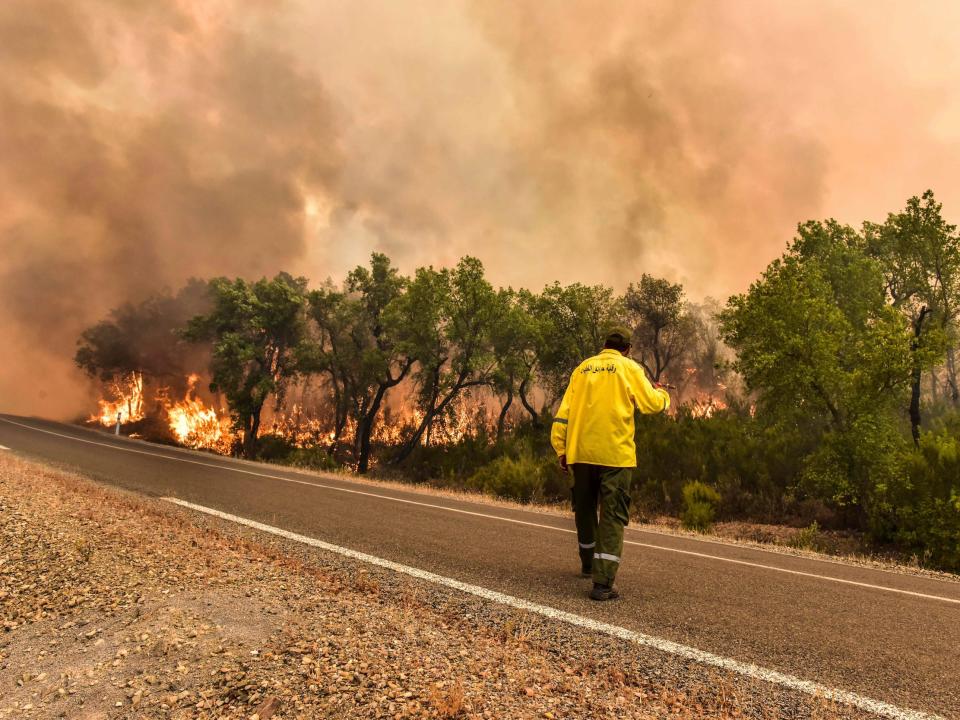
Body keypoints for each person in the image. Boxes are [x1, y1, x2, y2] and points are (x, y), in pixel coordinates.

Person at [550, 326, 670, 601]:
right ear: (627, 349)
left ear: (604, 345)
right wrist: (663, 395)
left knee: (584, 510)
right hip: (615, 456)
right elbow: (651, 404)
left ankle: (588, 564)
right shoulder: (629, 368)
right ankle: (602, 583)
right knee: (613, 515)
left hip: (580, 452)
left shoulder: (582, 369)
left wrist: (561, 448)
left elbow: (563, 414)